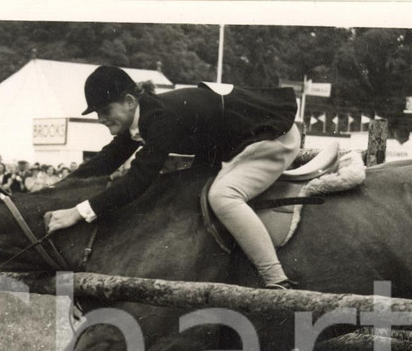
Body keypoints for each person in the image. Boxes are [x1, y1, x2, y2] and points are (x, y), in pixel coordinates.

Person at [48, 65, 300, 288]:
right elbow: (107, 159)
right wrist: (55, 190)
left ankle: (277, 280)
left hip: (272, 136)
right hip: (236, 142)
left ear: (129, 101)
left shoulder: (160, 118)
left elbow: (138, 180)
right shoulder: (146, 114)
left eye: (104, 110)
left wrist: (78, 212)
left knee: (223, 196)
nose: (100, 119)